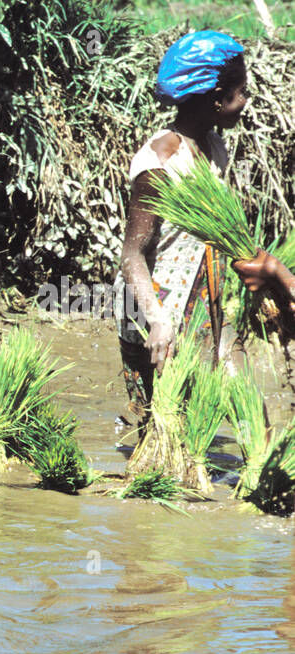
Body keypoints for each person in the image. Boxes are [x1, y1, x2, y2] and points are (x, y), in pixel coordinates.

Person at [116, 30, 250, 430]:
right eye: (242, 92)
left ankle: (263, 473)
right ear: (216, 98)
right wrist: (158, 320)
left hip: (204, 299)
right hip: (154, 311)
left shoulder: (213, 147)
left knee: (237, 396)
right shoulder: (160, 163)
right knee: (159, 426)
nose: (246, 101)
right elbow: (132, 254)